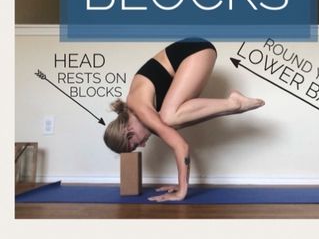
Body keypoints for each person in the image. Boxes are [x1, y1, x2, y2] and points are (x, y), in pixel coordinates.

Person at [103, 38, 264, 203]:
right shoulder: (141, 110)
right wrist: (179, 183)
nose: (143, 145)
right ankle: (233, 104)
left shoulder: (140, 109)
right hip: (192, 53)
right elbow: (177, 141)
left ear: (128, 132)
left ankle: (233, 103)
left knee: (168, 119)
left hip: (194, 50)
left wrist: (181, 191)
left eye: (136, 144)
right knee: (168, 122)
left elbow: (181, 146)